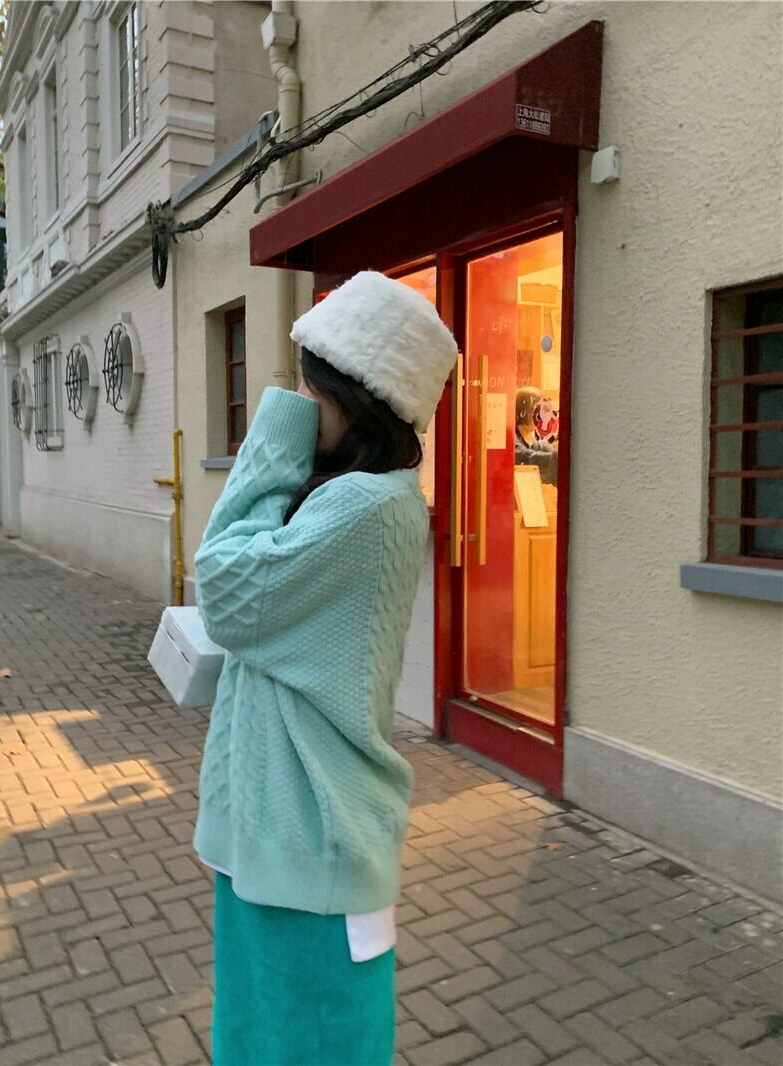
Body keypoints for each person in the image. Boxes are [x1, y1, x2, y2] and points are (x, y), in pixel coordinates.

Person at [192, 270, 458, 1066]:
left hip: (310, 850)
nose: (298, 400)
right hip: (279, 846)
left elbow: (223, 588)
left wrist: (276, 428)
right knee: (259, 1042)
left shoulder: (366, 506)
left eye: (310, 386)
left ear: (359, 397)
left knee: (299, 1045)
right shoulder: (350, 496)